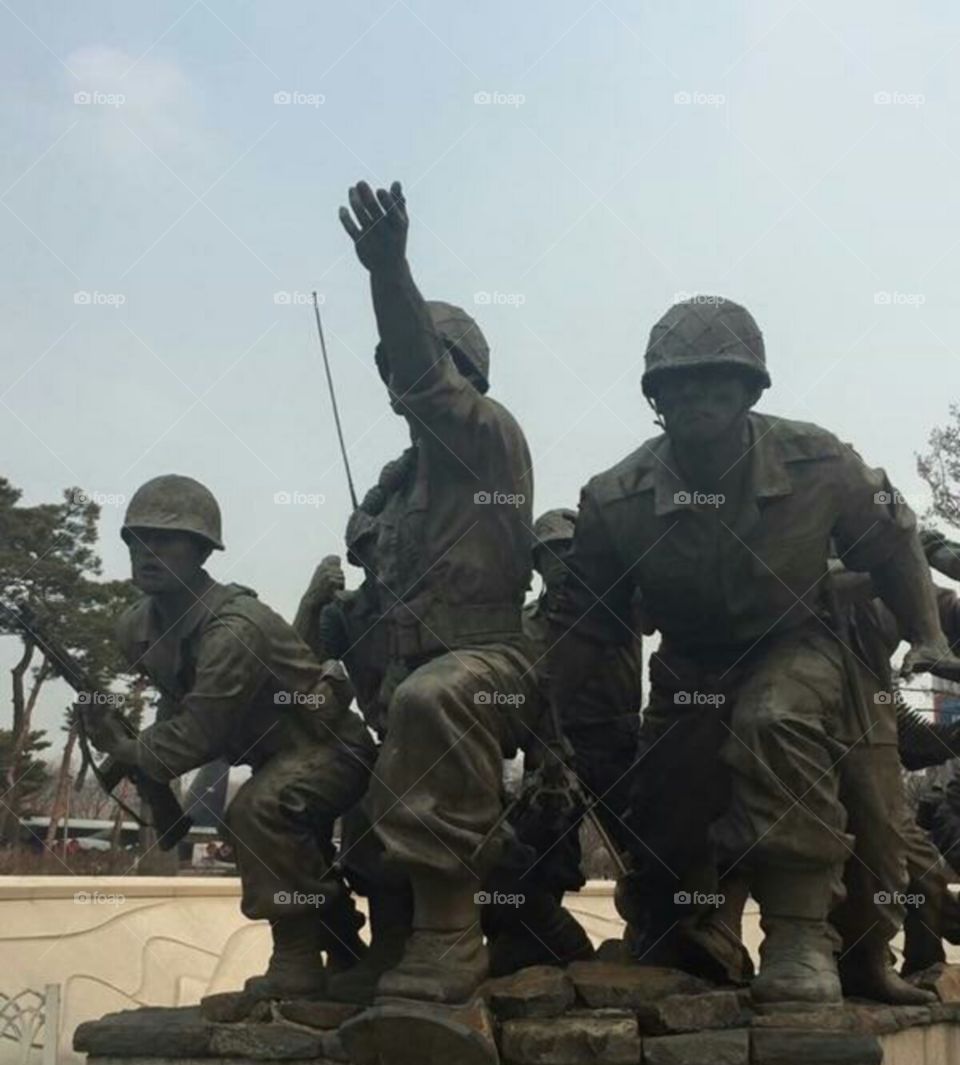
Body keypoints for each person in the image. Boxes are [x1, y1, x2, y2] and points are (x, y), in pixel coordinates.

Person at [552, 296, 957, 1006]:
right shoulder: (616, 500)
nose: (701, 399)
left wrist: (926, 638)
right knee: (668, 820)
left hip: (800, 645)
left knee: (778, 723)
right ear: (656, 398)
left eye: (720, 383)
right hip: (690, 667)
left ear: (750, 391)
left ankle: (800, 939)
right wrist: (540, 713)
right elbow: (588, 625)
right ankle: (696, 935)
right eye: (682, 385)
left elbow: (894, 544)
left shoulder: (819, 461)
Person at [339, 179, 540, 1003]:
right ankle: (379, 946)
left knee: (433, 701)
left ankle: (451, 937)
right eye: (392, 368)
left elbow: (430, 382)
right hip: (403, 678)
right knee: (348, 767)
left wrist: (389, 273)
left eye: (418, 364)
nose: (405, 380)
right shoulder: (398, 487)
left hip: (487, 664)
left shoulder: (487, 441)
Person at [80, 474, 377, 999]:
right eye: (137, 539)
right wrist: (137, 754)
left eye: (165, 540)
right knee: (282, 835)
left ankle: (298, 960)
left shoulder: (235, 628)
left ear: (200, 552)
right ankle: (345, 947)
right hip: (274, 754)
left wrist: (127, 749)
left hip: (330, 749)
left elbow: (197, 735)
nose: (146, 552)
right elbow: (178, 702)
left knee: (256, 812)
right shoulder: (137, 627)